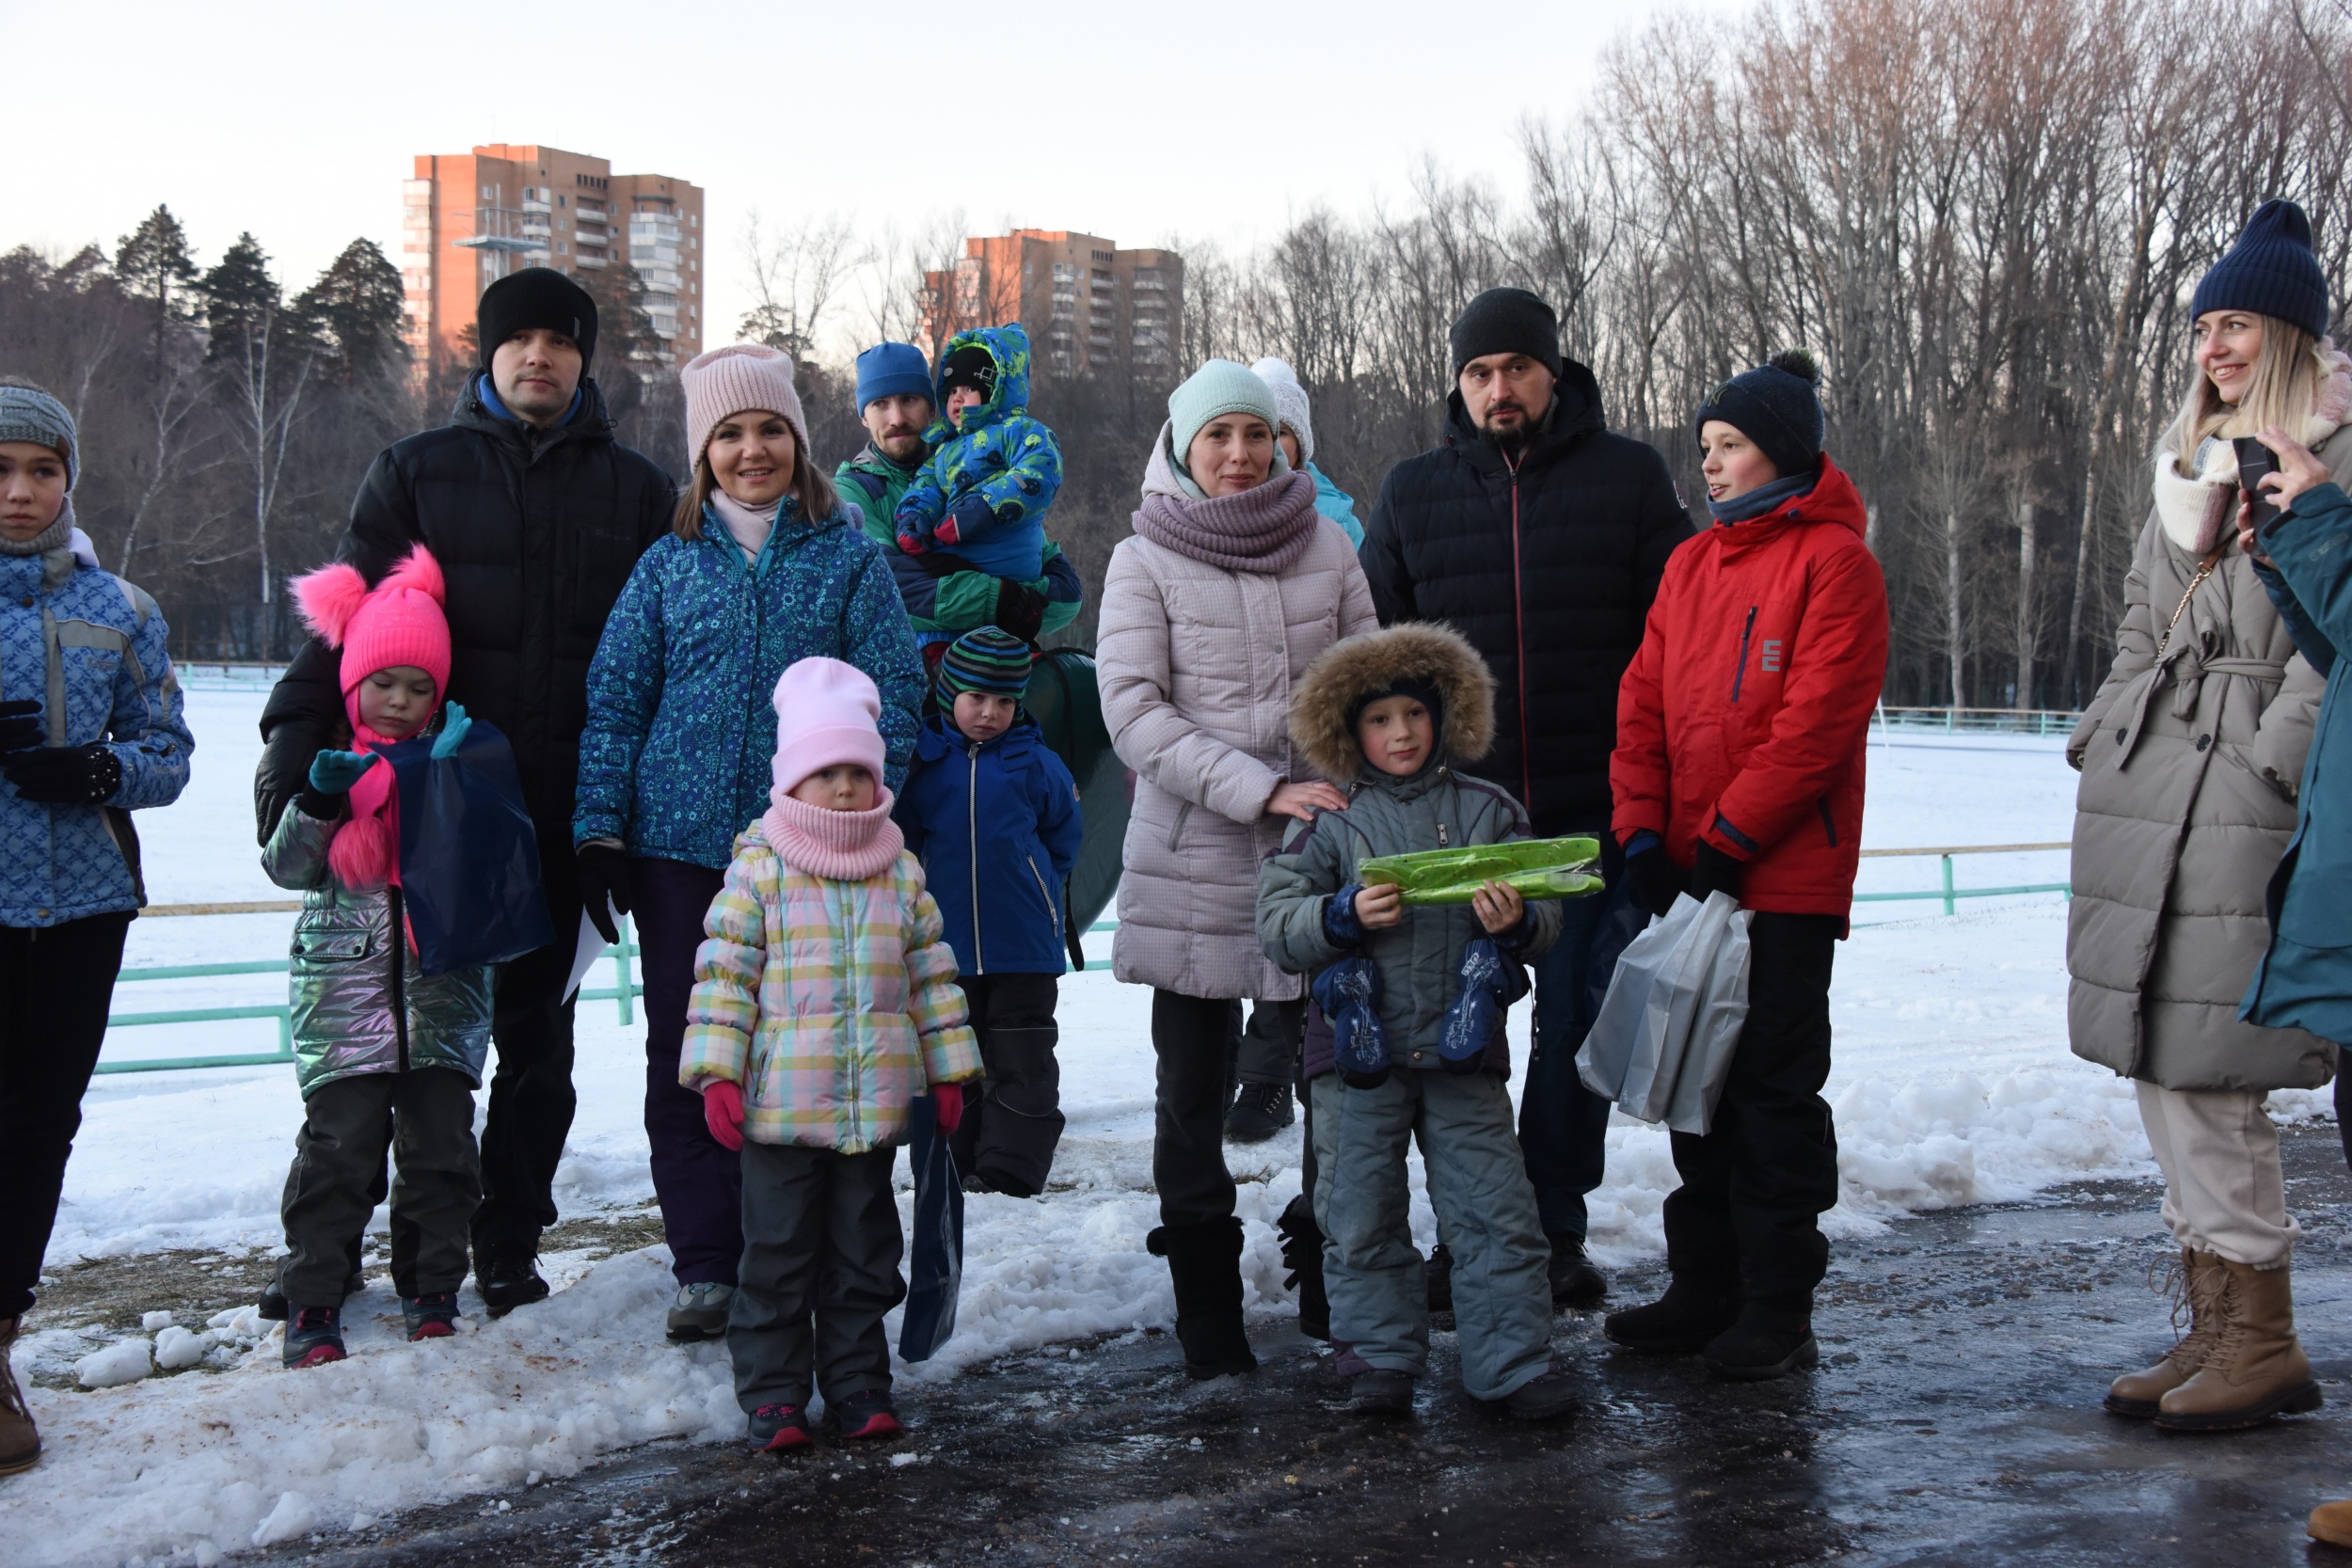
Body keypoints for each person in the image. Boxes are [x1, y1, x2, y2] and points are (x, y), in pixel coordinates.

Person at [258, 267, 675, 1314]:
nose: (540, 356)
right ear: (488, 353)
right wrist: (289, 759)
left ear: (584, 360)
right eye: (519, 338)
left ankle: (504, 1237)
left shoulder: (635, 491)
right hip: (423, 822)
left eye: (561, 341)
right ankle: (325, 1251)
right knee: (378, 1046)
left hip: (559, 823)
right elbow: (349, 629)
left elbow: (665, 661)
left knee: (537, 1050)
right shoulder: (415, 471)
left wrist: (627, 823)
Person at [573, 344, 925, 1342]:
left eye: (770, 428)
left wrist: (861, 806)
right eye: (729, 434)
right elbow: (616, 700)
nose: (752, 449)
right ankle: (707, 1263)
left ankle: (800, 1250)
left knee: (805, 1048)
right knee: (693, 1051)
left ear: (799, 443)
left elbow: (898, 693)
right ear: (703, 454)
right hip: (680, 851)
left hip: (812, 857)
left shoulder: (847, 560)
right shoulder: (667, 564)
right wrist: (600, 828)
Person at [1358, 287, 1692, 1307]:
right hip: (1460, 820)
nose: (1498, 387)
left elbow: (1678, 639)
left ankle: (1551, 1228)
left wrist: (1662, 798)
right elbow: (1374, 656)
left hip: (1594, 812)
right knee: (1455, 1031)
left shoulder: (1629, 477)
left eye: (1515, 368)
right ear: (1458, 384)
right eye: (1479, 372)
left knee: (1568, 1028)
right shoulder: (1412, 493)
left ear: (1553, 372)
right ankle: (1471, 1231)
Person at [2069, 199, 2342, 1436]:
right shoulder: (2189, 467)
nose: (2213, 346)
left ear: (2289, 334)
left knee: (2216, 1064)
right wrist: (2110, 721)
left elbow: (2335, 638)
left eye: (2236, 323)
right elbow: (2142, 614)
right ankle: (2215, 1317)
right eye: (2201, 325)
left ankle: (2261, 1335)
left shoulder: (2330, 457)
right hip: (2153, 779)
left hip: (2243, 792)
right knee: (2155, 1055)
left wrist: (2271, 762)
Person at [1603, 349, 1888, 1382]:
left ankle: (1777, 1304)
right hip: (1691, 874)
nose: (1711, 464)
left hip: (1782, 879)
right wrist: (1642, 831)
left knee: (1770, 1090)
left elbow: (1815, 725)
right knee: (1697, 1083)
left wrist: (1728, 839)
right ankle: (1704, 1284)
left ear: (1784, 450)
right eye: (1706, 446)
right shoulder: (1691, 564)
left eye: (1730, 445)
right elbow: (1641, 704)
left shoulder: (1836, 564)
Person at [1097, 359, 1376, 1377]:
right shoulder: (1142, 558)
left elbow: (1370, 681)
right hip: (1194, 860)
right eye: (1217, 434)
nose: (1240, 453)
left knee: (1338, 1083)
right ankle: (1206, 1304)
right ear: (1182, 446)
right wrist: (1259, 788)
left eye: (1255, 433)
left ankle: (1332, 1273)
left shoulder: (1327, 545)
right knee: (1191, 1090)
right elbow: (1133, 710)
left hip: (1320, 860)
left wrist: (1345, 783)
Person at [1257, 622, 1576, 1419]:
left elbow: (1547, 913)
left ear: (1445, 716)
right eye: (1379, 718)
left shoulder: (1490, 810)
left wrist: (1517, 921)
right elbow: (1277, 923)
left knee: (1495, 1211)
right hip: (1356, 1056)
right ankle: (1378, 1358)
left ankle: (1513, 1364)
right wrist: (1339, 914)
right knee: (1359, 1212)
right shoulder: (1329, 819)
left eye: (1414, 713)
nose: (1400, 732)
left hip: (1465, 1049)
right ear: (1348, 729)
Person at [682, 657, 981, 1451]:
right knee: (777, 1255)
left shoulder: (900, 872)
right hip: (781, 1110)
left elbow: (931, 978)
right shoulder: (759, 870)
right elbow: (724, 978)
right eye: (826, 772)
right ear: (792, 779)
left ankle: (857, 1383)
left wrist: (948, 1069)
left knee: (864, 1253)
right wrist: (717, 1072)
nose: (845, 788)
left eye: (858, 771)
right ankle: (774, 1393)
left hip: (873, 1108)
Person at [0, 384, 191, 1475]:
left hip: (83, 907)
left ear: (69, 479)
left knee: (40, 1124)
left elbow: (167, 751)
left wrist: (101, 770)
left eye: (42, 469)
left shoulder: (122, 607)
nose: (21, 491)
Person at [266, 548, 502, 1368]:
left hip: (443, 995)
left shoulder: (456, 759)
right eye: (383, 683)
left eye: (418, 687)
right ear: (351, 684)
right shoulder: (329, 768)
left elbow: (487, 874)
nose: (399, 702)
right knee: (337, 1151)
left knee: (442, 1150)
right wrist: (319, 800)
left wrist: (456, 786)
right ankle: (313, 1295)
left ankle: (432, 1288)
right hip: (343, 996)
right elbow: (286, 868)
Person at [894, 626, 1083, 1197]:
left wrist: (1039, 887)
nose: (989, 713)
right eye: (976, 697)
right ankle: (955, 1162)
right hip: (945, 945)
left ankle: (1010, 1171)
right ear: (949, 693)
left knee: (1023, 1059)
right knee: (955, 1055)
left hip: (1023, 944)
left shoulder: (1038, 763)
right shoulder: (923, 764)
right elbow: (905, 841)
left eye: (1004, 701)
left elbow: (1064, 838)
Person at [837, 342, 1083, 649]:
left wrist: (1017, 602)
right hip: (903, 673)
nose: (897, 417)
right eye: (880, 404)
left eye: (909, 399)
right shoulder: (851, 493)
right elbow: (882, 587)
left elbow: (1066, 593)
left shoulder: (973, 466)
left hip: (997, 671)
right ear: (864, 416)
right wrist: (1000, 599)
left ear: (932, 407)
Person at [892, 325, 1063, 584]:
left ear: (995, 391)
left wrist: (986, 506)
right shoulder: (945, 448)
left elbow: (1041, 470)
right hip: (957, 558)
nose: (957, 398)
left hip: (1006, 553)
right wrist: (914, 516)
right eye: (952, 391)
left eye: (968, 389)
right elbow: (927, 484)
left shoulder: (1018, 431)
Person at [1250, 356, 1364, 547]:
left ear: (1300, 443)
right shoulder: (1223, 506)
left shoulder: (1338, 519)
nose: (1272, 443)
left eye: (1282, 432)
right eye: (1258, 434)